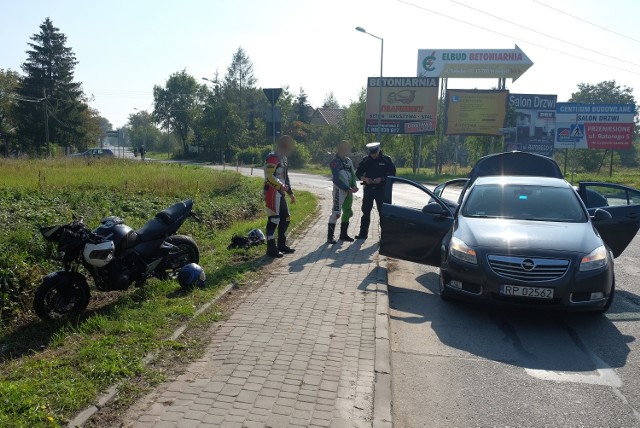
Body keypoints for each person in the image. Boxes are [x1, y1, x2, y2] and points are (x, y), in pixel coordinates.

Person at [355, 142, 396, 240]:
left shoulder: (386, 160)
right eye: (371, 154)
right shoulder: (366, 160)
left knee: (383, 212)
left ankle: (385, 236)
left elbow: (392, 173)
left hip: (381, 190)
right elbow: (358, 173)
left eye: (375, 154)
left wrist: (381, 179)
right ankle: (363, 234)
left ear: (378, 150)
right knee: (366, 212)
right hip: (369, 189)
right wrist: (365, 179)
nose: (373, 156)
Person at [264, 135, 296, 258]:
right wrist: (280, 185)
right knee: (273, 219)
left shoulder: (284, 158)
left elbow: (286, 177)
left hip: (281, 192)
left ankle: (281, 244)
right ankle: (271, 248)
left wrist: (291, 193)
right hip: (271, 191)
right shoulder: (272, 157)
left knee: (286, 218)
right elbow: (269, 176)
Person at [328, 140, 358, 244]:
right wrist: (346, 188)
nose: (346, 151)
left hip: (349, 192)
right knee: (336, 213)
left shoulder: (349, 161)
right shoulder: (334, 162)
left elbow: (353, 175)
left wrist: (354, 186)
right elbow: (336, 180)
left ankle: (343, 235)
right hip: (339, 191)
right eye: (343, 149)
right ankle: (330, 237)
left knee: (348, 212)